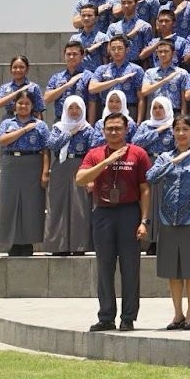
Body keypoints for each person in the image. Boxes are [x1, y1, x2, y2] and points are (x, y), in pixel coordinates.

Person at [74, 111, 152, 331]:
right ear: (103, 130)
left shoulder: (138, 154)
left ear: (126, 130)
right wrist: (106, 162)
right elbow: (80, 179)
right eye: (110, 128)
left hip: (129, 213)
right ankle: (106, 316)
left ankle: (128, 317)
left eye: (118, 128)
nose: (114, 132)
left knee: (130, 267)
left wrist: (144, 221)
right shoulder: (95, 154)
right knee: (104, 267)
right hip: (103, 214)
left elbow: (145, 189)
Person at [145, 114, 190, 330]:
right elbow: (151, 177)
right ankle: (178, 314)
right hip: (168, 221)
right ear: (173, 132)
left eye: (186, 129)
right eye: (178, 129)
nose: (182, 133)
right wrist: (173, 162)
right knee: (172, 271)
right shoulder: (165, 157)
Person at [0, 94, 50, 257]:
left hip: (33, 163)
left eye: (27, 103)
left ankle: (28, 243)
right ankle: (13, 242)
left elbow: (46, 149)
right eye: (20, 103)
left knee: (31, 204)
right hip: (11, 164)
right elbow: (2, 140)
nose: (23, 106)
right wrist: (25, 129)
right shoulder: (7, 123)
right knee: (10, 204)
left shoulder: (40, 125)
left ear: (32, 106)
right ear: (15, 105)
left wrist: (45, 172)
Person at [45, 95, 99, 256]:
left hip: (81, 166)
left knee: (80, 206)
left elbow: (93, 152)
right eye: (71, 108)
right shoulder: (58, 127)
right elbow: (52, 145)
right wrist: (69, 133)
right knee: (57, 205)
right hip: (60, 167)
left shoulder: (88, 129)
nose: (74, 111)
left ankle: (79, 246)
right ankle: (58, 246)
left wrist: (91, 177)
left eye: (78, 108)